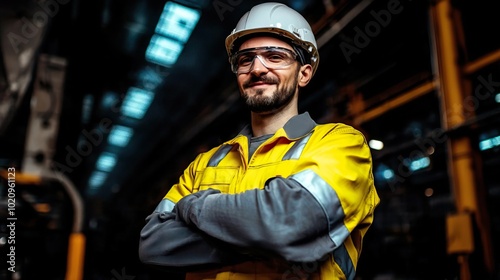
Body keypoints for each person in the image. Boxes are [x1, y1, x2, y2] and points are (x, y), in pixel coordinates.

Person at [139, 2, 380, 279]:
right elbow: (153, 244)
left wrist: (193, 207)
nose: (257, 68)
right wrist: (267, 241)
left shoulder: (342, 144)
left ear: (304, 74)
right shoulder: (205, 163)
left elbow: (288, 222)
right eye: (245, 59)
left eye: (275, 56)